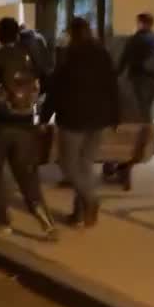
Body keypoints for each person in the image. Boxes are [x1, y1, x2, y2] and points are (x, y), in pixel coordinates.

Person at [0, 17, 56, 238]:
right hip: (25, 123)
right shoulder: (31, 57)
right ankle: (46, 221)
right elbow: (45, 83)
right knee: (27, 175)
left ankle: (1, 220)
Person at [42, 17, 120, 228]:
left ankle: (90, 200)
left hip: (74, 119)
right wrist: (115, 115)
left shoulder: (69, 56)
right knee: (85, 166)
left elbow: (56, 90)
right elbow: (113, 85)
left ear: (72, 34)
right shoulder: (102, 54)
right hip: (99, 119)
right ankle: (80, 214)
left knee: (68, 165)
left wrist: (43, 117)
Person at [116, 13, 154, 123]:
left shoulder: (135, 39)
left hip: (139, 77)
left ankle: (148, 134)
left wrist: (117, 73)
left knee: (142, 108)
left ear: (140, 23)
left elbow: (124, 58)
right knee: (147, 106)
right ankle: (149, 133)